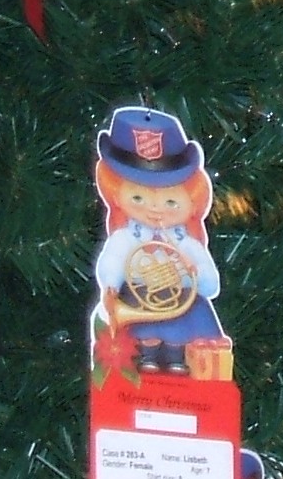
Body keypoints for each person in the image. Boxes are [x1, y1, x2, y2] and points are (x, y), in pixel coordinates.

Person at [93, 107, 225, 375]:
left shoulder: (186, 243)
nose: (155, 209)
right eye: (138, 198)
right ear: (116, 194)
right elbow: (113, 260)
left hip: (181, 302)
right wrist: (111, 285)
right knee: (144, 332)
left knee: (183, 328)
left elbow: (210, 285)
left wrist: (190, 273)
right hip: (139, 297)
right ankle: (147, 358)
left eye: (171, 202)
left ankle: (177, 359)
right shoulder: (126, 238)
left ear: (193, 201)